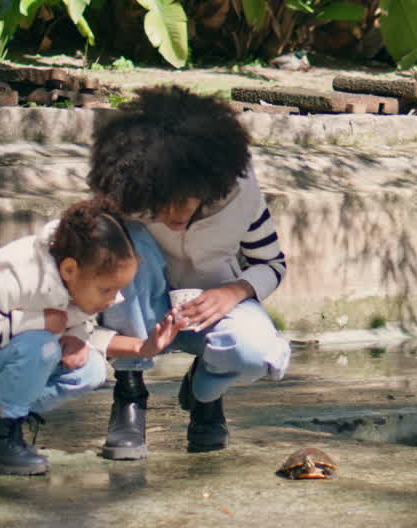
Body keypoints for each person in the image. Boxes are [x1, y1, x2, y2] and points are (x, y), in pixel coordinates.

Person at [89, 85, 291, 459]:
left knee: (257, 353)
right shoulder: (128, 196)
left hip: (212, 312)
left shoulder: (240, 195)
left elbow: (272, 264)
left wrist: (234, 291)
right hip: (142, 316)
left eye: (185, 201)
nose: (174, 215)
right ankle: (130, 392)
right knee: (119, 241)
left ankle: (204, 393)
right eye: (162, 204)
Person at [0, 198, 183, 475]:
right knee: (42, 346)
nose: (114, 299)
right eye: (106, 289)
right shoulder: (17, 273)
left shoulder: (73, 279)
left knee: (89, 369)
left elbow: (84, 334)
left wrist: (144, 347)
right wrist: (40, 322)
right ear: (70, 269)